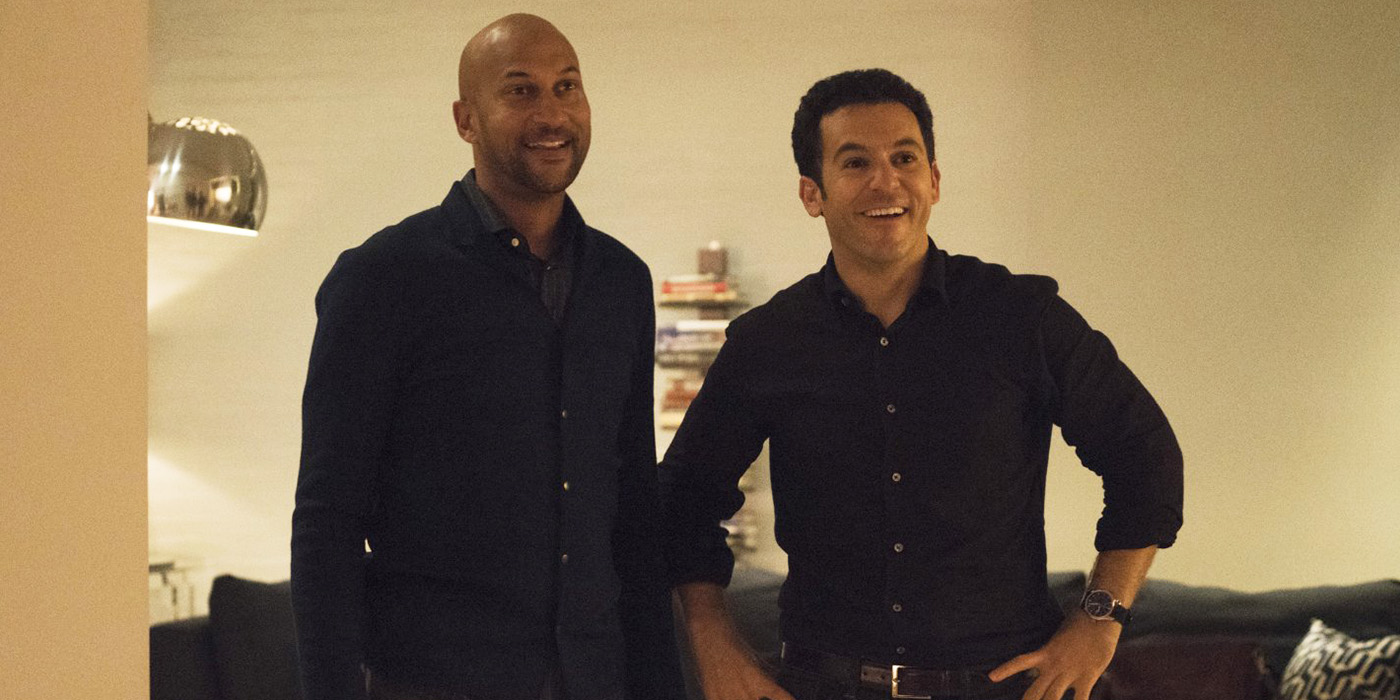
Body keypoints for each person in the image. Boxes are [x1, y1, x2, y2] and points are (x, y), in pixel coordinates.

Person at [660, 68, 1183, 700]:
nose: (886, 181)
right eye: (855, 162)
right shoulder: (768, 341)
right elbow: (682, 503)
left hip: (1003, 688)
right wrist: (714, 648)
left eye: (904, 158)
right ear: (811, 193)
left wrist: (1100, 619)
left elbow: (1144, 456)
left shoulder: (1021, 317)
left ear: (933, 180)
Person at [291, 14, 684, 700]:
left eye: (567, 87)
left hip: (595, 678)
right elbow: (328, 519)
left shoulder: (621, 280)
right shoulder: (384, 278)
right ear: (465, 119)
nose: (552, 114)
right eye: (521, 91)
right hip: (437, 680)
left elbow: (631, 509)